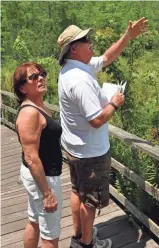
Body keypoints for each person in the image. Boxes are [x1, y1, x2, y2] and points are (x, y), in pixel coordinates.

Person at [57, 18, 148, 248]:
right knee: (90, 201)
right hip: (90, 153)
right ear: (74, 48)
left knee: (78, 191)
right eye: (87, 40)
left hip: (75, 149)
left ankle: (78, 235)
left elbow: (106, 58)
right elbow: (97, 119)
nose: (92, 42)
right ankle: (87, 243)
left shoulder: (72, 68)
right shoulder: (80, 80)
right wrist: (115, 103)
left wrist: (127, 36)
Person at [14, 62, 63, 248]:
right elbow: (31, 157)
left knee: (34, 221)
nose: (41, 78)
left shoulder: (38, 106)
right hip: (43, 178)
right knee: (50, 234)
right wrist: (47, 193)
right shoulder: (29, 113)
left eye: (42, 74)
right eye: (34, 77)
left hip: (40, 176)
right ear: (23, 88)